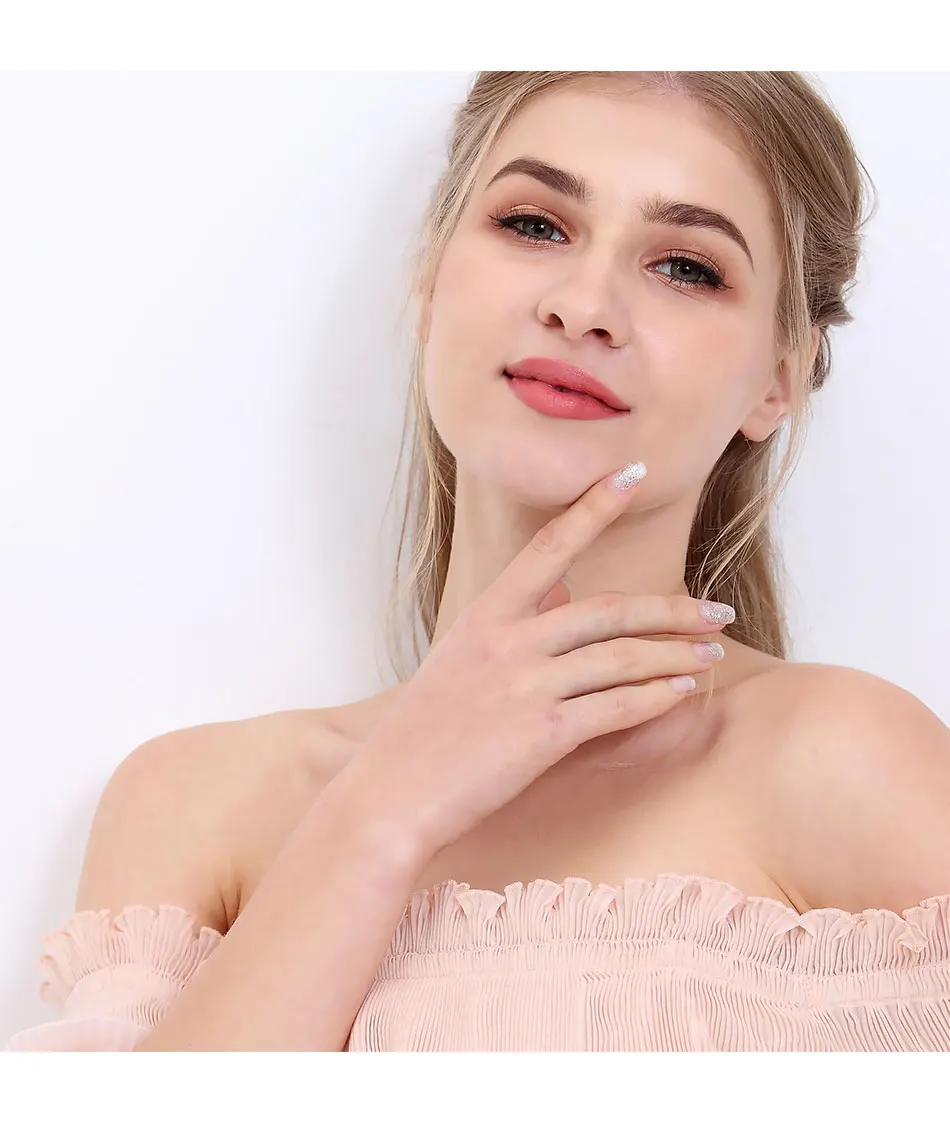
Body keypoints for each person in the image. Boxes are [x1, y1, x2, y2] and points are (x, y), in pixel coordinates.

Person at [6, 71, 949, 1053]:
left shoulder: (846, 763)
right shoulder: (194, 804)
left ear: (777, 379)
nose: (583, 306)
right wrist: (381, 813)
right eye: (534, 225)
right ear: (429, 280)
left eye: (685, 267)